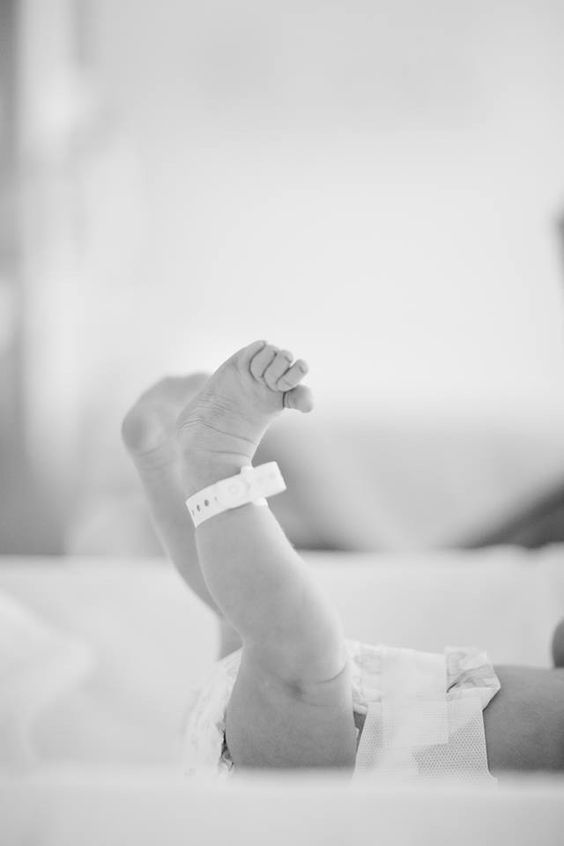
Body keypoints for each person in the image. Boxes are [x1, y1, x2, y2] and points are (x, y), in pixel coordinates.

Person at [122, 340, 564, 778]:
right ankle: (170, 465)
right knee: (243, 619)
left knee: (295, 652)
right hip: (319, 738)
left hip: (329, 766)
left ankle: (215, 461)